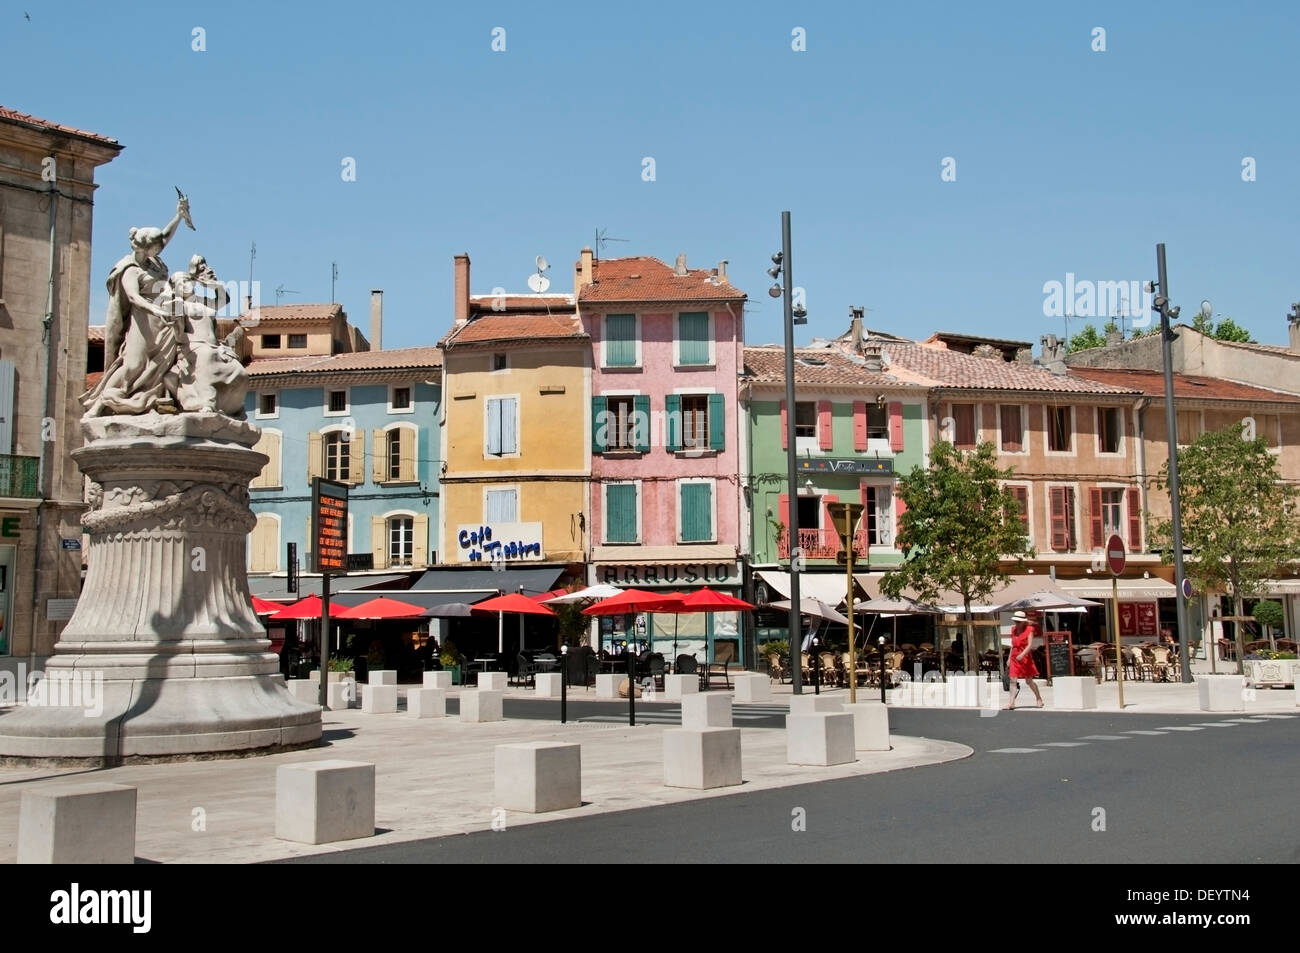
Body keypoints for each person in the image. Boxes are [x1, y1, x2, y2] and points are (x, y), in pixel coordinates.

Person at [1006, 610, 1043, 709]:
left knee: (1029, 681)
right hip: (1014, 657)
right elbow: (1012, 645)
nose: (1016, 624)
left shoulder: (1029, 629)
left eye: (1018, 622)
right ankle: (1011, 703)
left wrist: (1022, 655)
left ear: (1023, 622)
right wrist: (1009, 658)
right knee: (1013, 680)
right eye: (1015, 621)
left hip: (1025, 657)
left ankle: (1038, 698)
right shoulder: (1013, 630)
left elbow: (1030, 645)